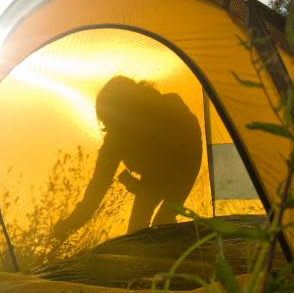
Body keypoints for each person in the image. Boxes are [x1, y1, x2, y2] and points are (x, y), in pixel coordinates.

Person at [51, 75, 202, 238]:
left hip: (186, 162)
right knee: (137, 231)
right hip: (155, 174)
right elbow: (97, 188)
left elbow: (190, 146)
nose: (108, 127)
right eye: (106, 123)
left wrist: (164, 199)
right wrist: (69, 225)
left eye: (110, 120)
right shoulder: (115, 141)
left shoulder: (170, 109)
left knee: (163, 221)